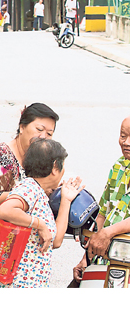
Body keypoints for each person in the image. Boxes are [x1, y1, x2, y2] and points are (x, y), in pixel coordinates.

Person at [0, 102, 60, 288]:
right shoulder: (0, 155)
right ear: (22, 126)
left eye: (49, 134)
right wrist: (26, 197)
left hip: (18, 255)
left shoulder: (39, 158)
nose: (43, 137)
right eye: (39, 129)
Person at [0, 138, 84, 288]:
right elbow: (5, 209)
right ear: (55, 167)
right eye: (63, 165)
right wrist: (40, 224)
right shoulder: (29, 188)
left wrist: (66, 200)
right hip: (19, 284)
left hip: (33, 282)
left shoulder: (39, 193)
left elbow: (55, 241)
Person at [73, 115, 130, 282]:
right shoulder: (118, 166)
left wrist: (108, 232)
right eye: (123, 135)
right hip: (107, 256)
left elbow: (106, 230)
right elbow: (103, 213)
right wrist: (87, 257)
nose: (126, 142)